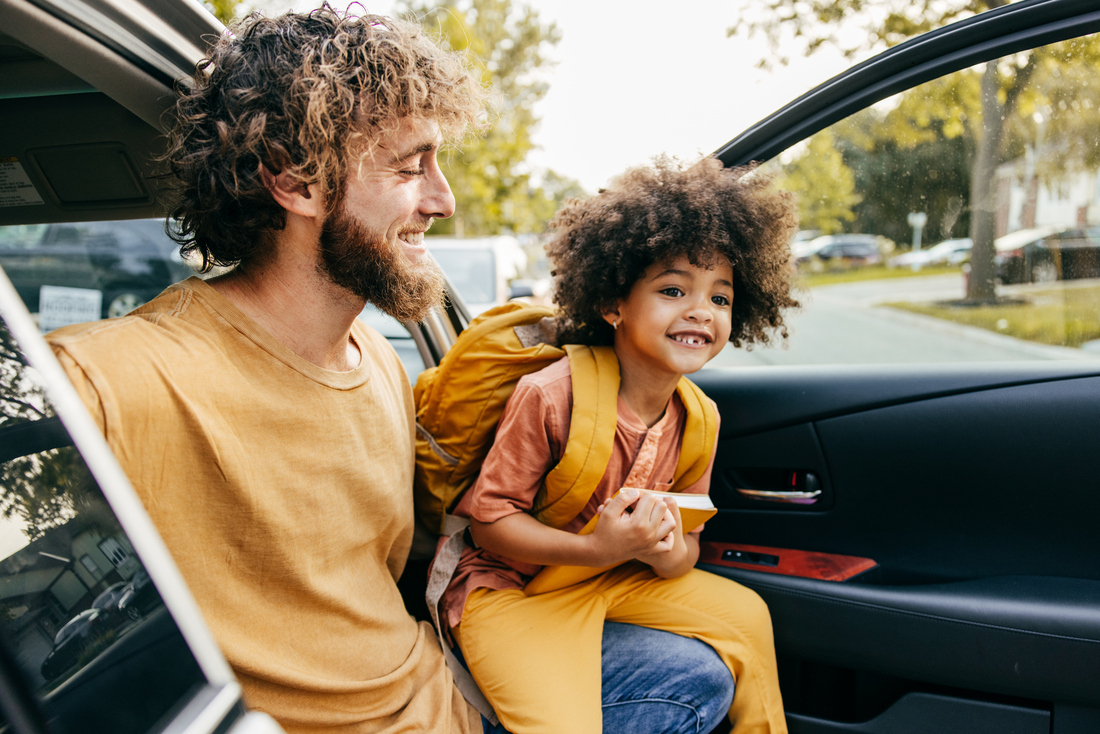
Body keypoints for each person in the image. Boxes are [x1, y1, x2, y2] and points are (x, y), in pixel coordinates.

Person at [46, 8, 738, 734]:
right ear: (295, 180)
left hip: (440, 685)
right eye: (410, 168)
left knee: (698, 673)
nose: (444, 200)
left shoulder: (374, 357)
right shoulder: (117, 374)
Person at [440, 156, 799, 734]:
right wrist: (597, 548)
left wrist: (660, 551)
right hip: (510, 592)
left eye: (720, 298)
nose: (700, 311)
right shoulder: (551, 395)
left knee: (748, 617)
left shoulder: (699, 418)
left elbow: (686, 549)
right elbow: (489, 525)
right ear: (613, 305)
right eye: (673, 290)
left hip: (610, 579)